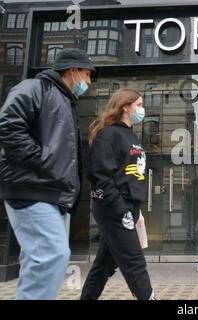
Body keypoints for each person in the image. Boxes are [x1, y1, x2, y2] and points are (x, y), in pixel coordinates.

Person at [0, 48, 94, 299]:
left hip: (50, 193)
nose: (89, 81)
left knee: (38, 259)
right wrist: (42, 161)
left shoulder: (66, 100)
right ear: (72, 70)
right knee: (53, 255)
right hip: (32, 188)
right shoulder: (34, 88)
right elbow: (9, 126)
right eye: (87, 74)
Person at [80, 89, 155, 300]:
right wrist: (121, 209)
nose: (142, 109)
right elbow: (99, 175)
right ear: (125, 106)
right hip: (114, 208)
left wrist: (135, 211)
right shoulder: (109, 134)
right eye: (138, 105)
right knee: (135, 263)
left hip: (128, 206)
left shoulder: (131, 135)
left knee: (104, 265)